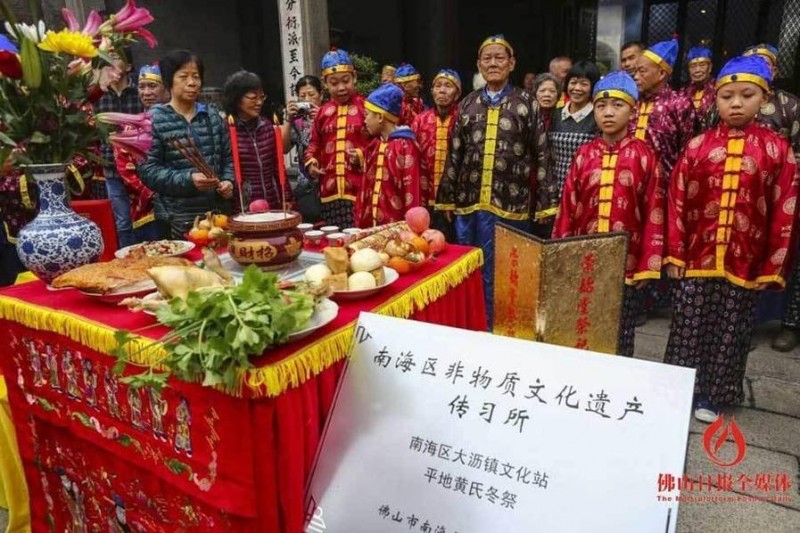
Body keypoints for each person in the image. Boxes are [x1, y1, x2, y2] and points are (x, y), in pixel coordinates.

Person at [664, 55, 798, 423]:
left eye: (747, 95)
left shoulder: (776, 151)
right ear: (715, 99)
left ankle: (714, 393)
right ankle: (676, 390)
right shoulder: (696, 147)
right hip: (695, 257)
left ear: (763, 98)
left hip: (745, 259)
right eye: (727, 96)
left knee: (731, 327)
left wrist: (773, 265)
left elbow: (784, 210)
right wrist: (674, 254)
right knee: (687, 324)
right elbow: (676, 201)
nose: (736, 103)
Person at [436, 35, 548, 328]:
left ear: (512, 64)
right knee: (469, 267)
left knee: (507, 270)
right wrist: (447, 196)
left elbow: (542, 154)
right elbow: (455, 153)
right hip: (469, 204)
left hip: (511, 205)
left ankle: (505, 327)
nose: (494, 63)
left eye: (500, 58)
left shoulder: (527, 103)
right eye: (488, 58)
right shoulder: (468, 103)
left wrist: (547, 203)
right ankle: (470, 324)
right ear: (478, 65)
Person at [552, 70, 664, 357]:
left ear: (632, 111)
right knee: (582, 322)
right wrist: (561, 256)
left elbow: (654, 210)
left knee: (620, 329)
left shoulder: (644, 155)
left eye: (618, 106)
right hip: (585, 259)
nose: (608, 113)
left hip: (625, 262)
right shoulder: (585, 154)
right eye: (601, 106)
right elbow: (569, 206)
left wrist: (647, 263)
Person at [739, 44, 800, 351]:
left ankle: (783, 325)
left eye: (764, 65)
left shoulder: (790, 105)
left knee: (777, 260)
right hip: (739, 199)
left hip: (777, 197)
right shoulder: (729, 100)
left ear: (774, 72)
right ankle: (739, 325)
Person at [139, 50, 234, 239]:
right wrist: (188, 179)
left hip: (217, 215)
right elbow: (148, 170)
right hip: (176, 217)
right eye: (183, 76)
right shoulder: (153, 120)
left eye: (196, 76)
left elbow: (228, 158)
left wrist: (228, 181)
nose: (192, 82)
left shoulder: (212, 116)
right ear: (168, 82)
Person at [304, 49, 369, 228]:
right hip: (329, 190)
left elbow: (377, 143)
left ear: (354, 77)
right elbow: (314, 143)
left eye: (345, 81)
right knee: (333, 239)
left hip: (359, 188)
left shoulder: (366, 109)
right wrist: (312, 162)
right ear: (325, 84)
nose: (341, 87)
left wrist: (361, 155)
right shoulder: (323, 112)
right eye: (334, 83)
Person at [535, 60, 600, 234]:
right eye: (573, 82)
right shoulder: (555, 115)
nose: (577, 88)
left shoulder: (597, 118)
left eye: (584, 83)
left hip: (583, 193)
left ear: (593, 87)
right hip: (554, 193)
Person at [93, 48, 143, 248]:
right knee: (122, 222)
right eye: (106, 59)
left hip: (140, 165)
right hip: (111, 166)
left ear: (129, 66)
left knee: (145, 217)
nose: (110, 62)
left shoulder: (140, 91)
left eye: (115, 58)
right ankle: (128, 257)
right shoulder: (98, 95)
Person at [223, 70, 294, 213]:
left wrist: (286, 196)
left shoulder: (266, 125)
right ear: (237, 99)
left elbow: (277, 164)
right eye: (253, 98)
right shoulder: (225, 129)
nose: (259, 103)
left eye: (262, 97)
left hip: (272, 201)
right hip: (243, 206)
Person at [113, 64, 168, 243]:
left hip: (183, 205)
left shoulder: (179, 120)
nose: (146, 92)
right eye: (142, 87)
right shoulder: (129, 128)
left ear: (167, 89)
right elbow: (125, 170)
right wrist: (154, 194)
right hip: (147, 209)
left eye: (152, 86)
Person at [357, 84, 422, 228]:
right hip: (372, 227)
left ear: (380, 117)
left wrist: (412, 228)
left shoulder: (405, 146)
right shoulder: (374, 146)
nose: (364, 120)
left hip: (397, 229)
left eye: (367, 115)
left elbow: (411, 191)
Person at [411, 69, 462, 239]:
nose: (442, 90)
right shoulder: (420, 120)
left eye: (448, 86)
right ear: (431, 91)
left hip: (454, 197)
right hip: (426, 196)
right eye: (438, 86)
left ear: (457, 93)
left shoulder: (462, 118)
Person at [282, 75, 323, 222]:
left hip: (330, 182)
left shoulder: (331, 113)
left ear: (321, 95)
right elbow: (283, 148)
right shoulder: (297, 120)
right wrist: (288, 119)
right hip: (305, 184)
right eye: (302, 96)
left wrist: (321, 118)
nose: (307, 100)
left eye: (312, 95)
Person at [682, 46, 715, 131]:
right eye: (693, 66)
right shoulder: (683, 93)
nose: (697, 70)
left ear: (710, 67)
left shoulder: (718, 91)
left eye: (702, 65)